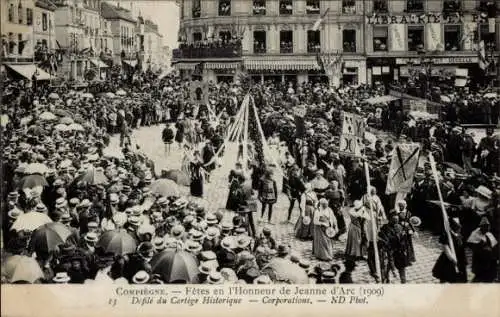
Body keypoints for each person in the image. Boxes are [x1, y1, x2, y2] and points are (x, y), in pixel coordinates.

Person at [378, 211, 411, 284]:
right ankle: (386, 281)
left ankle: (403, 282)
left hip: (399, 253)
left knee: (402, 270)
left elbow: (405, 242)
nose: (396, 222)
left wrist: (404, 235)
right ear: (390, 219)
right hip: (390, 252)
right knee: (386, 270)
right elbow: (385, 240)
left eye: (397, 220)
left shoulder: (400, 227)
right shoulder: (385, 228)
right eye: (394, 220)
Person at [432, 218, 467, 283]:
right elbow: (445, 247)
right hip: (449, 257)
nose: (459, 227)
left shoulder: (458, 233)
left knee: (459, 275)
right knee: (446, 274)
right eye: (457, 226)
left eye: (459, 225)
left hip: (459, 256)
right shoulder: (447, 235)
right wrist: (452, 258)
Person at [467, 217, 498, 283]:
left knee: (489, 276)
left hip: (489, 259)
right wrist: (482, 247)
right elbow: (471, 245)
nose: (487, 228)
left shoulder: (489, 234)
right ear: (481, 227)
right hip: (479, 259)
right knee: (479, 277)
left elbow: (494, 245)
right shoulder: (476, 233)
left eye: (488, 226)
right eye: (486, 226)